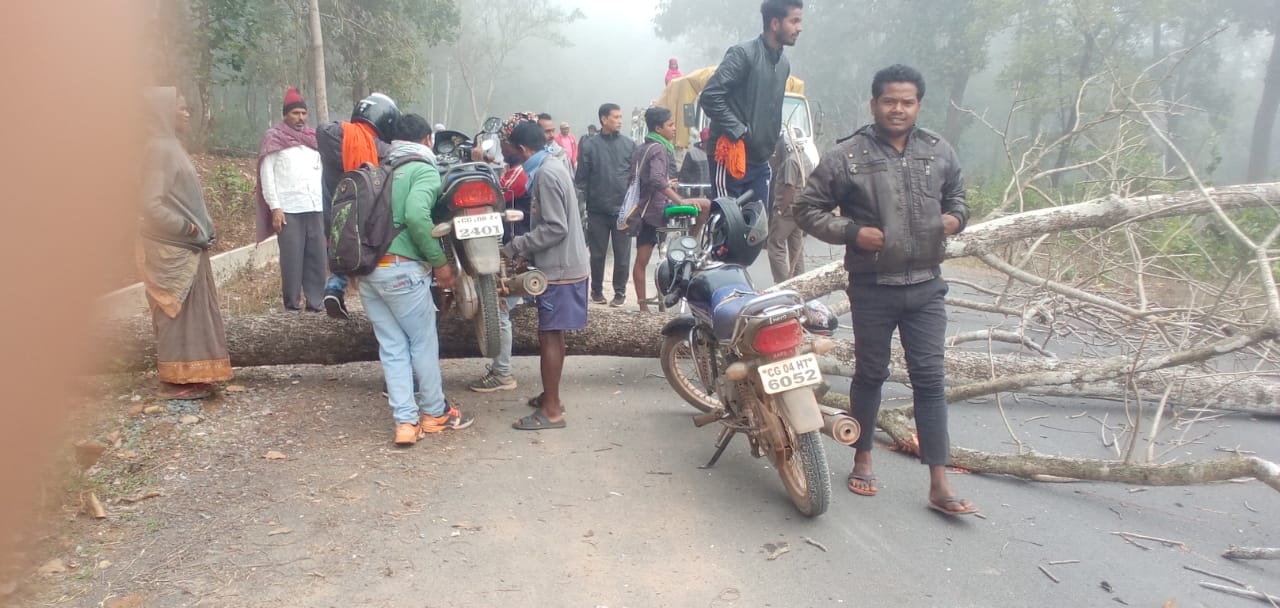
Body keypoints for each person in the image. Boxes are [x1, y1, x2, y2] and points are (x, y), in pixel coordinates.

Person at [793, 64, 976, 515]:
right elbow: (806, 209)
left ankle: (939, 482)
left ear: (918, 105)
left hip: (927, 286)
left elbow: (958, 199)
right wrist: (853, 231)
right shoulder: (847, 156)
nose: (898, 109)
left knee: (930, 380)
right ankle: (863, 456)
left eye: (907, 101)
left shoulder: (938, 151)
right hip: (873, 285)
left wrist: (954, 220)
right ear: (874, 104)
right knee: (871, 373)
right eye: (889, 101)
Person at [361, 113, 473, 445]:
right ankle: (435, 413)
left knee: (393, 348)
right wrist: (440, 263)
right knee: (421, 343)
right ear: (427, 140)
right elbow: (414, 214)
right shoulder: (422, 169)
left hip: (369, 273)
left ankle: (405, 424)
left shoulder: (379, 170)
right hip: (403, 272)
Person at [137, 87, 233, 400]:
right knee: (176, 314)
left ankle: (195, 374)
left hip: (190, 247)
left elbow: (185, 197)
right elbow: (151, 205)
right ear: (165, 112)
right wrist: (190, 228)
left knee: (196, 314)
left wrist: (205, 228)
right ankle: (174, 380)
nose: (187, 113)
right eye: (182, 108)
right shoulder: (158, 149)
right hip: (173, 248)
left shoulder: (173, 146)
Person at [501, 121, 590, 430]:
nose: (506, 152)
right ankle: (550, 396)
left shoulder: (545, 174)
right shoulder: (552, 165)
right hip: (564, 263)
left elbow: (555, 227)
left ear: (523, 149)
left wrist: (516, 247)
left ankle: (551, 410)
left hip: (561, 269)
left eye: (509, 148)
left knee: (549, 335)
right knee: (553, 334)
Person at [699, 0, 802, 209]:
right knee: (728, 230)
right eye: (794, 21)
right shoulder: (742, 54)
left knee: (756, 231)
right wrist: (740, 131)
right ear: (775, 23)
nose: (799, 28)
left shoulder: (784, 64)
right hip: (731, 156)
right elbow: (710, 96)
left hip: (761, 160)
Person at [468, 112, 540, 394]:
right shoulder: (527, 169)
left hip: (519, 251)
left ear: (519, 148)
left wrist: (476, 163)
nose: (502, 148)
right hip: (521, 248)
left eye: (505, 143)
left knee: (500, 309)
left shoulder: (523, 174)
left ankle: (502, 373)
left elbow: (496, 192)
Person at [317, 93, 400, 319]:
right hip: (370, 218)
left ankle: (334, 287)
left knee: (339, 244)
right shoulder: (386, 151)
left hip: (337, 214)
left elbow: (323, 128)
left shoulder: (332, 136)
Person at [254, 87, 325, 313]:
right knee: (292, 259)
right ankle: (292, 306)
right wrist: (275, 207)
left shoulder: (313, 139)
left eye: (303, 113)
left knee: (316, 257)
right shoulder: (274, 138)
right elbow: (267, 176)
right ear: (285, 115)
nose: (300, 118)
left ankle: (316, 303)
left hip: (314, 207)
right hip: (289, 210)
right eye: (295, 113)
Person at [630, 107, 698, 313]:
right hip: (652, 213)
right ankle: (645, 308)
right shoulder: (660, 149)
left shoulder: (644, 147)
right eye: (670, 125)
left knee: (645, 260)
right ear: (658, 128)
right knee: (646, 259)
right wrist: (678, 199)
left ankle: (647, 305)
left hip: (642, 210)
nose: (675, 129)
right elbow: (657, 179)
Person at [576, 103, 636, 307]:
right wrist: (580, 208)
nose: (620, 120)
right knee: (598, 253)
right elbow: (581, 179)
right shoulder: (589, 145)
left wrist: (633, 207)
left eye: (621, 117)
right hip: (597, 210)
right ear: (604, 119)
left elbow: (634, 178)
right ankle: (596, 291)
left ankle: (620, 293)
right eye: (616, 117)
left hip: (622, 211)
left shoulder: (629, 144)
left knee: (622, 255)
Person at [765, 127, 811, 283]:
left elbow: (789, 188)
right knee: (795, 249)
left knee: (775, 246)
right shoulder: (805, 158)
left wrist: (781, 210)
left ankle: (783, 285)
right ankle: (800, 282)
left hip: (788, 211)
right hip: (800, 210)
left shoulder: (791, 160)